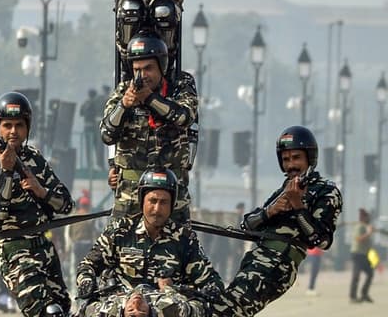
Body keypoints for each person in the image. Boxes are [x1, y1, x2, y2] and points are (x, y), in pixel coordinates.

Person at [221, 126, 343, 315]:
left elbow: (321, 240)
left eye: (296, 158)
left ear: (310, 158)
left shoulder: (326, 191)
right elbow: (246, 225)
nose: (291, 165)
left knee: (227, 310)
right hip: (255, 260)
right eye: (286, 159)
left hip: (279, 266)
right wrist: (269, 212)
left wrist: (297, 205)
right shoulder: (284, 188)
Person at [0, 91, 73, 316]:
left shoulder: (35, 159)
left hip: (44, 247)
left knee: (64, 309)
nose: (13, 131)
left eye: (19, 125)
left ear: (27, 127)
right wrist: (7, 172)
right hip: (13, 249)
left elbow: (66, 205)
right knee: (46, 312)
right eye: (7, 125)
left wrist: (41, 191)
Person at [75, 169, 223, 317]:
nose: (157, 209)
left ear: (172, 205)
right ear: (142, 201)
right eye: (153, 201)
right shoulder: (119, 232)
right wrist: (86, 281)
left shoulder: (184, 239)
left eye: (164, 202)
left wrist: (210, 290)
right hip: (120, 309)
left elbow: (211, 281)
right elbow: (87, 266)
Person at [100, 33, 198, 223]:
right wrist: (124, 105)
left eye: (148, 69)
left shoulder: (180, 86)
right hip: (130, 193)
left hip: (171, 193)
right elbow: (106, 135)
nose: (142, 76)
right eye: (137, 69)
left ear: (161, 67)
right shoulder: (124, 90)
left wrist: (150, 99)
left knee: (178, 240)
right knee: (118, 240)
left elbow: (184, 117)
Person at [349, 208, 375, 304]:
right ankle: (353, 297)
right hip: (358, 254)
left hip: (364, 255)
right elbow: (358, 239)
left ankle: (364, 294)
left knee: (370, 273)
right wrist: (369, 233)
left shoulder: (365, 226)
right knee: (356, 276)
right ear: (364, 218)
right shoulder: (359, 227)